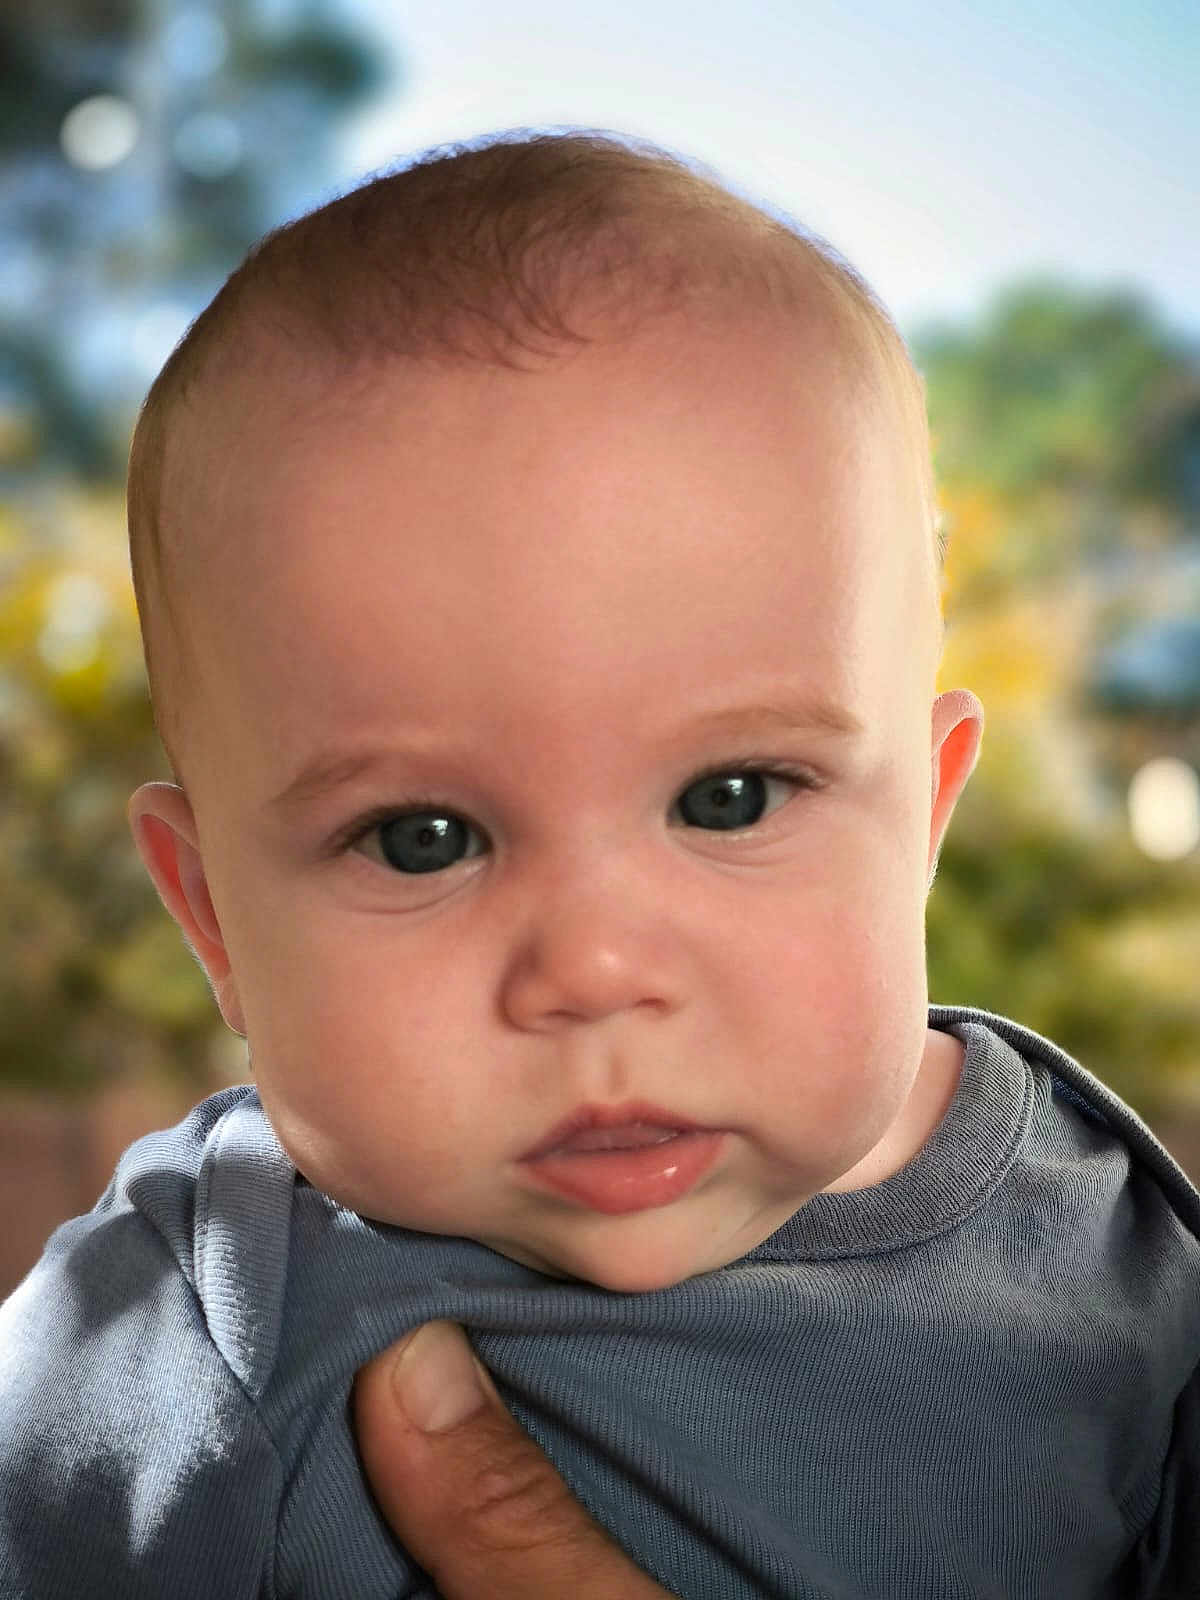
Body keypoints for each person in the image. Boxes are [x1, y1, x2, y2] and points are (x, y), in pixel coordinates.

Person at [0, 126, 1196, 1599]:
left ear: (924, 820)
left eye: (734, 795)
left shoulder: (1121, 1257)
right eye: (422, 837)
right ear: (214, 918)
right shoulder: (173, 1342)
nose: (595, 970)